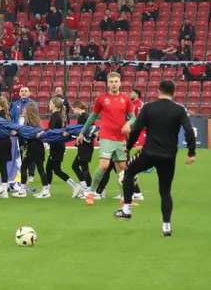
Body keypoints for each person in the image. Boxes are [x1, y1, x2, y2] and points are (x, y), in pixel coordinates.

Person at [114, 79, 196, 237]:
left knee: (129, 171)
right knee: (165, 191)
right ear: (174, 92)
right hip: (169, 156)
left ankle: (127, 209)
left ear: (159, 91)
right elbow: (189, 130)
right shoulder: (179, 109)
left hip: (149, 152)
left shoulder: (149, 107)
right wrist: (191, 152)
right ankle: (166, 226)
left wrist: (129, 146)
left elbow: (136, 128)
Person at [77, 72, 135, 205]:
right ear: (107, 83)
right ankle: (91, 193)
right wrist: (82, 132)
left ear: (120, 83)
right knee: (104, 166)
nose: (114, 84)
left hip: (120, 139)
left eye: (116, 81)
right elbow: (92, 117)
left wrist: (128, 123)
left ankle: (123, 199)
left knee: (121, 168)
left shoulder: (125, 99)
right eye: (111, 82)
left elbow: (133, 117)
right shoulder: (102, 99)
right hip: (106, 137)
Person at [37, 96, 80, 198]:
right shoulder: (59, 116)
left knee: (56, 170)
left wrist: (43, 132)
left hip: (56, 145)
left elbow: (52, 129)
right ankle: (46, 190)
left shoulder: (55, 116)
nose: (49, 105)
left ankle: (75, 186)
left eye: (50, 103)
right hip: (57, 145)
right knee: (49, 168)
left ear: (55, 105)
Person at [17, 103, 46, 199]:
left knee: (23, 166)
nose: (24, 111)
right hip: (39, 147)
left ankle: (22, 190)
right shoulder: (37, 122)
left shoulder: (27, 122)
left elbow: (25, 133)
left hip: (32, 148)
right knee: (41, 169)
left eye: (25, 109)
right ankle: (45, 190)